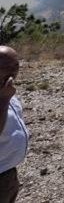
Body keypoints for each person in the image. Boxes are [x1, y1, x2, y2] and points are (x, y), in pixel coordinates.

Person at [0, 47, 27, 203]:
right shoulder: (5, 94)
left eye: (15, 65)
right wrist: (3, 99)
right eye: (5, 65)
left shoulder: (7, 90)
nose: (12, 70)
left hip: (9, 171)